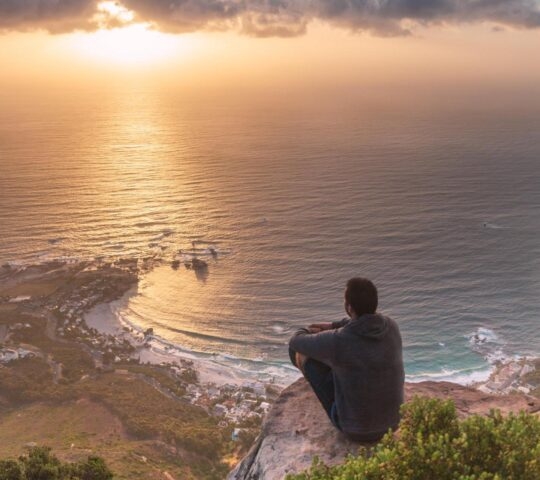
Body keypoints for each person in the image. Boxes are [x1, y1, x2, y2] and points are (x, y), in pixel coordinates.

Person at [289, 277, 404, 442]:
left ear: (348, 307)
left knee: (301, 354)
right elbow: (360, 324)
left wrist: (306, 330)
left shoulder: (340, 340)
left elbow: (295, 342)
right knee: (347, 361)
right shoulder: (392, 326)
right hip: (392, 424)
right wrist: (334, 325)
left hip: (354, 430)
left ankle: (338, 403)